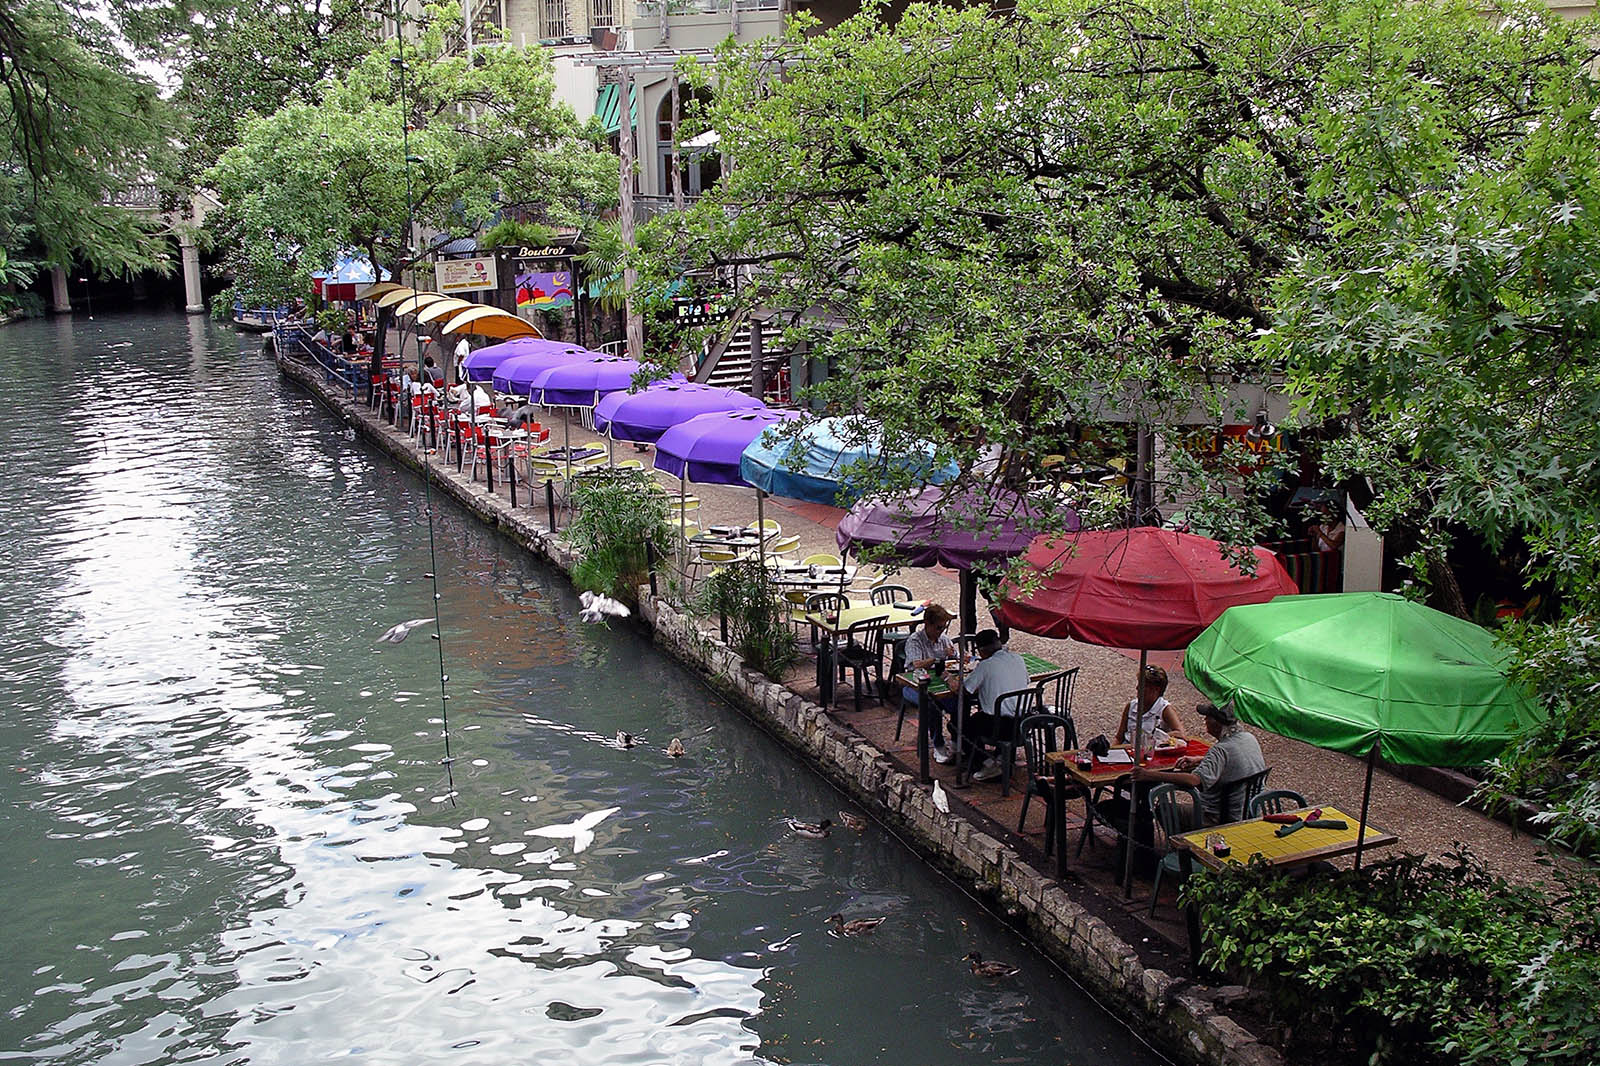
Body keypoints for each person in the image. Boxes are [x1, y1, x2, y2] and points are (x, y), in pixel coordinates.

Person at [1133, 701, 1267, 825]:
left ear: (1216, 723)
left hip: (1218, 817)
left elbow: (1194, 780)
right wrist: (1201, 759)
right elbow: (1235, 759)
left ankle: (1185, 847)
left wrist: (1149, 775)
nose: (1205, 720)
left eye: (1208, 717)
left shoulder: (1220, 750)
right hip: (1249, 812)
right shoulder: (1249, 738)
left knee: (1164, 809)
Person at [958, 629, 1033, 782]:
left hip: (1000, 726)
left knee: (961, 726)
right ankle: (1002, 758)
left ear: (982, 650)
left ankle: (987, 764)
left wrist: (949, 680)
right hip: (1023, 721)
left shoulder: (985, 665)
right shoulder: (1018, 658)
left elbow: (965, 690)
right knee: (987, 713)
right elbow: (1026, 681)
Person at [901, 604, 960, 764]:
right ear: (927, 623)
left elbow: (954, 657)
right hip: (913, 685)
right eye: (938, 627)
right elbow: (917, 664)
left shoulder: (944, 639)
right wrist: (937, 657)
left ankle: (956, 739)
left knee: (959, 700)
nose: (941, 631)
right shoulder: (915, 640)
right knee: (931, 703)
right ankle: (938, 744)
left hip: (939, 681)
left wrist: (955, 655)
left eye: (944, 627)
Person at [1115, 664, 1184, 748]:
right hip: (1127, 749)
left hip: (1149, 752)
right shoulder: (1131, 706)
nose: (1137, 688)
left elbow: (1180, 733)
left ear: (1156, 689)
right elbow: (1119, 737)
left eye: (1142, 686)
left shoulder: (1164, 709)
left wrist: (1157, 738)